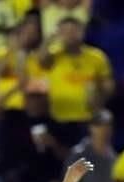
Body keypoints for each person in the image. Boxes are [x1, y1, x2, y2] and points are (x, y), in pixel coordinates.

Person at [38, 17, 114, 148]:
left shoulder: (97, 57)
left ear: (82, 32)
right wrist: (48, 40)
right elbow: (41, 61)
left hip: (87, 119)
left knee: (86, 162)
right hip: (58, 118)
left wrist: (99, 100)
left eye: (73, 31)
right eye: (65, 31)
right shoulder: (54, 55)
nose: (70, 35)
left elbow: (109, 85)